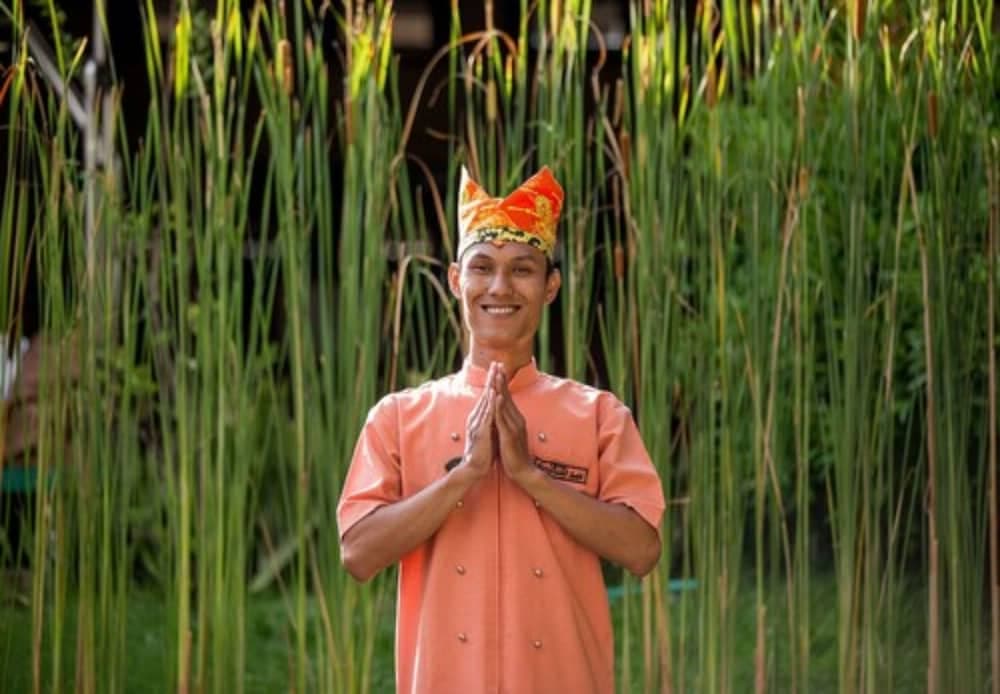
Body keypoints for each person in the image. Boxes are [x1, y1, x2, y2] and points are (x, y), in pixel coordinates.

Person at [337, 166, 665, 693]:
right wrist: (465, 474)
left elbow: (643, 550)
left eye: (522, 269)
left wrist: (531, 476)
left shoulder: (599, 415)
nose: (500, 287)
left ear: (550, 285)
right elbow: (357, 554)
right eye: (483, 267)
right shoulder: (397, 418)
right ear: (455, 280)